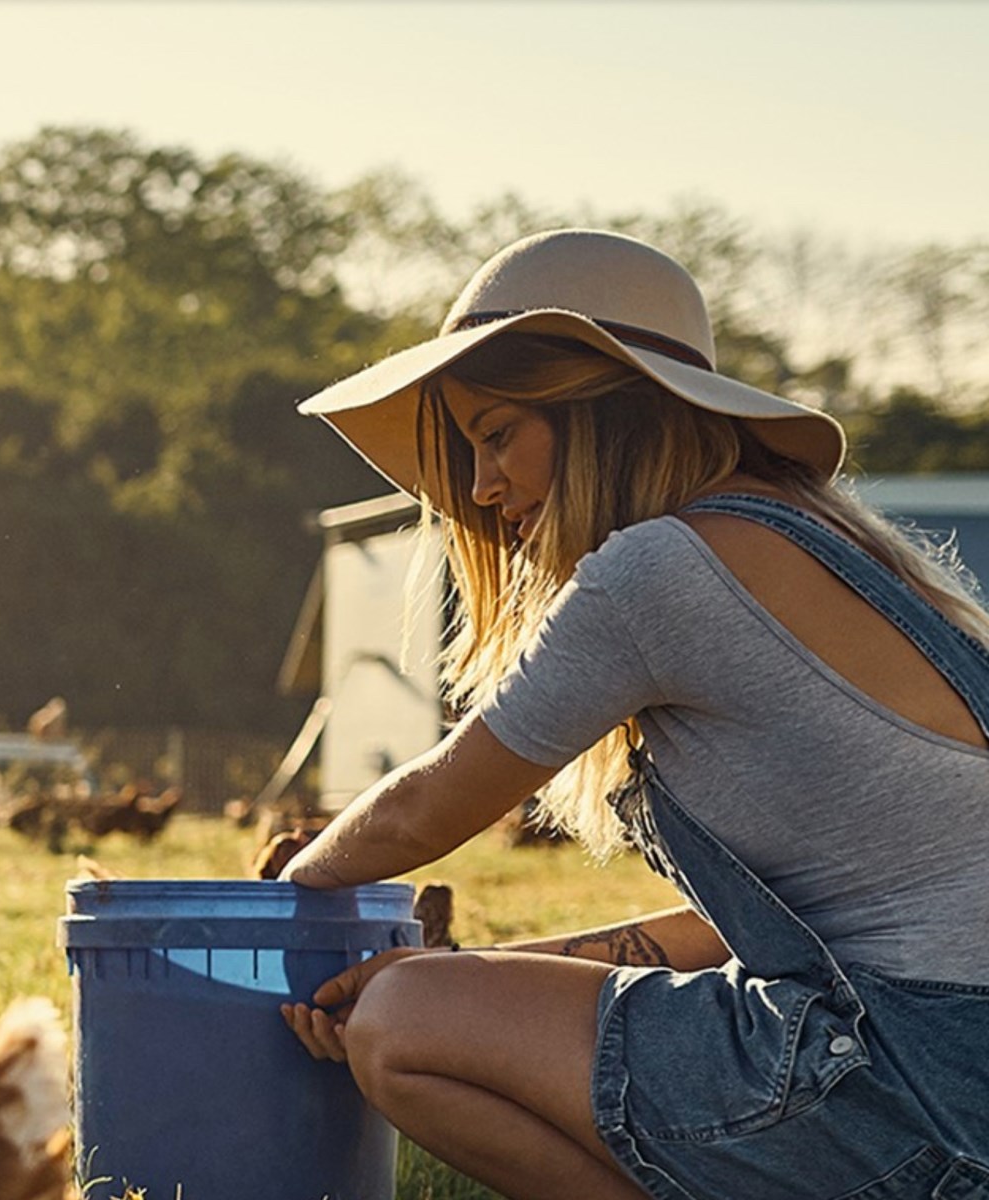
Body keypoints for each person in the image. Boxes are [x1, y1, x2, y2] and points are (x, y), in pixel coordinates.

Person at [276, 228, 989, 1200]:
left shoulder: (661, 569)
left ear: (607, 415)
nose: (478, 490)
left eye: (496, 436)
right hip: (950, 1089)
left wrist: (288, 891)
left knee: (403, 1023)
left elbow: (422, 810)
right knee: (432, 993)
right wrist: (483, 970)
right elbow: (727, 937)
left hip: (914, 1096)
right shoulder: (824, 552)